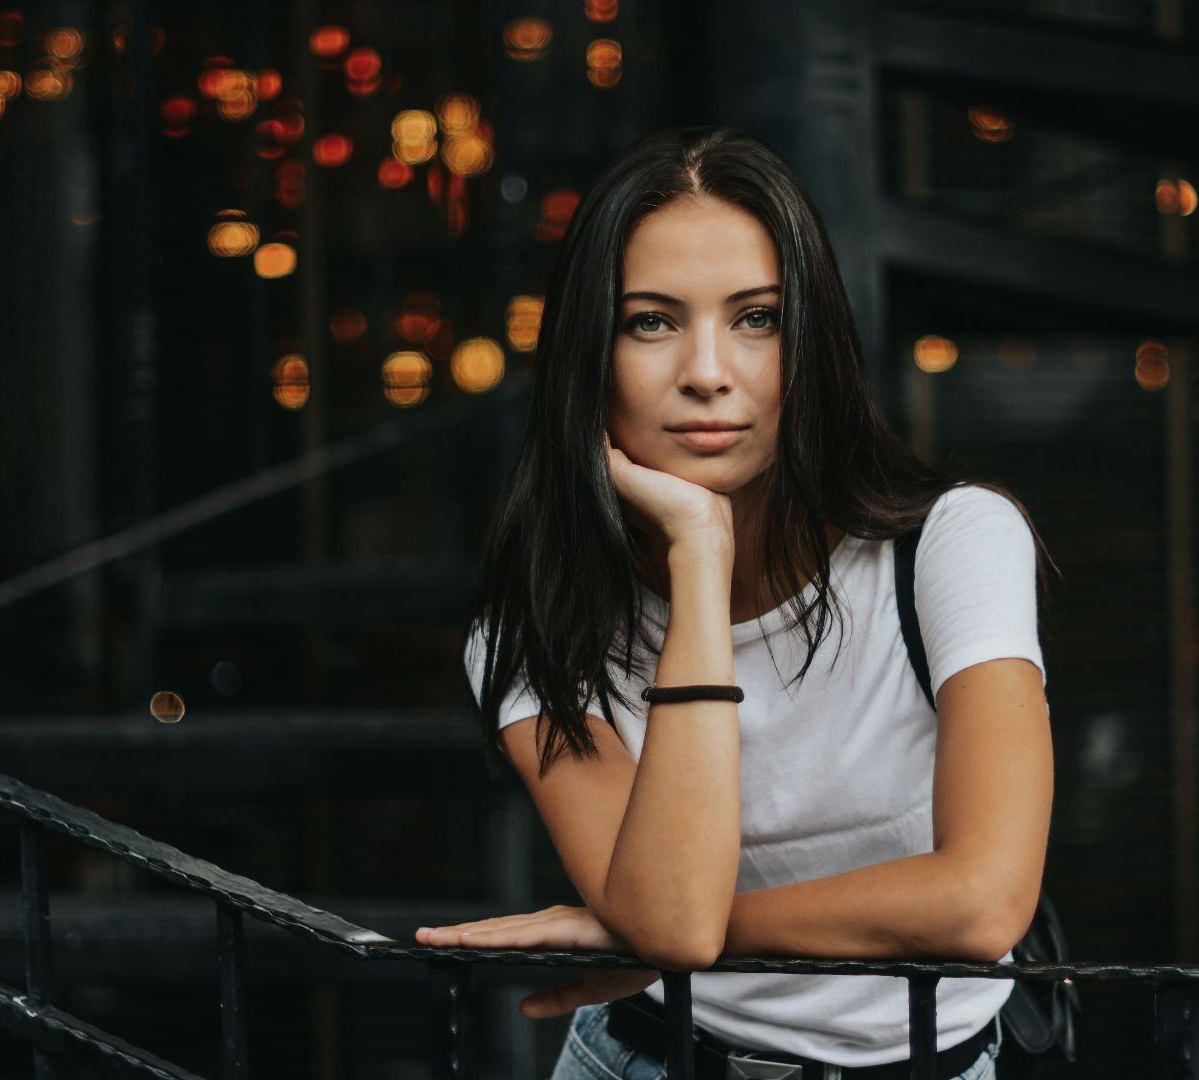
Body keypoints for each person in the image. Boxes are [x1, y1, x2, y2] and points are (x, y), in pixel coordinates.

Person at [427, 125, 1056, 1080]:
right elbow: (671, 914)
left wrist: (655, 943)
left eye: (756, 317)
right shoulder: (533, 629)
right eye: (651, 321)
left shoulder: (951, 545)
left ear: (811, 344)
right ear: (587, 359)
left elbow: (982, 905)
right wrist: (699, 552)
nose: (708, 371)